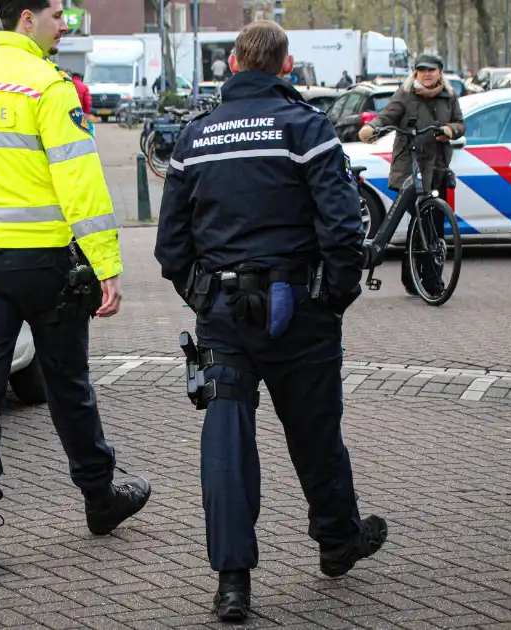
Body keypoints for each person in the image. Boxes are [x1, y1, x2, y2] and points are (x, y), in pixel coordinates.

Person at [154, 20, 388, 623]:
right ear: (286, 66)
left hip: (223, 313)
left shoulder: (195, 135)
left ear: (232, 64)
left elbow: (171, 243)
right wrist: (333, 297)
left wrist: (200, 294)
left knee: (226, 442)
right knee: (315, 430)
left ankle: (233, 583)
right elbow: (343, 226)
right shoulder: (306, 127)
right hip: (298, 309)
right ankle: (337, 541)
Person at [0, 0, 151, 581]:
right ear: (25, 19)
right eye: (56, 15)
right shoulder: (48, 88)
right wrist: (105, 263)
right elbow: (79, 181)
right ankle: (100, 499)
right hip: (46, 264)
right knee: (67, 384)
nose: (64, 25)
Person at [357, 53, 465, 296]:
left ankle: (411, 278)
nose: (427, 74)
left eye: (431, 70)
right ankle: (432, 284)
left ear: (440, 72)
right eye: (422, 70)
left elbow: (460, 123)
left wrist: (450, 129)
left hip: (437, 169)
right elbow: (387, 116)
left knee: (432, 227)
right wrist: (371, 128)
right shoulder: (405, 95)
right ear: (415, 73)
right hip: (410, 169)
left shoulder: (448, 96)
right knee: (424, 224)